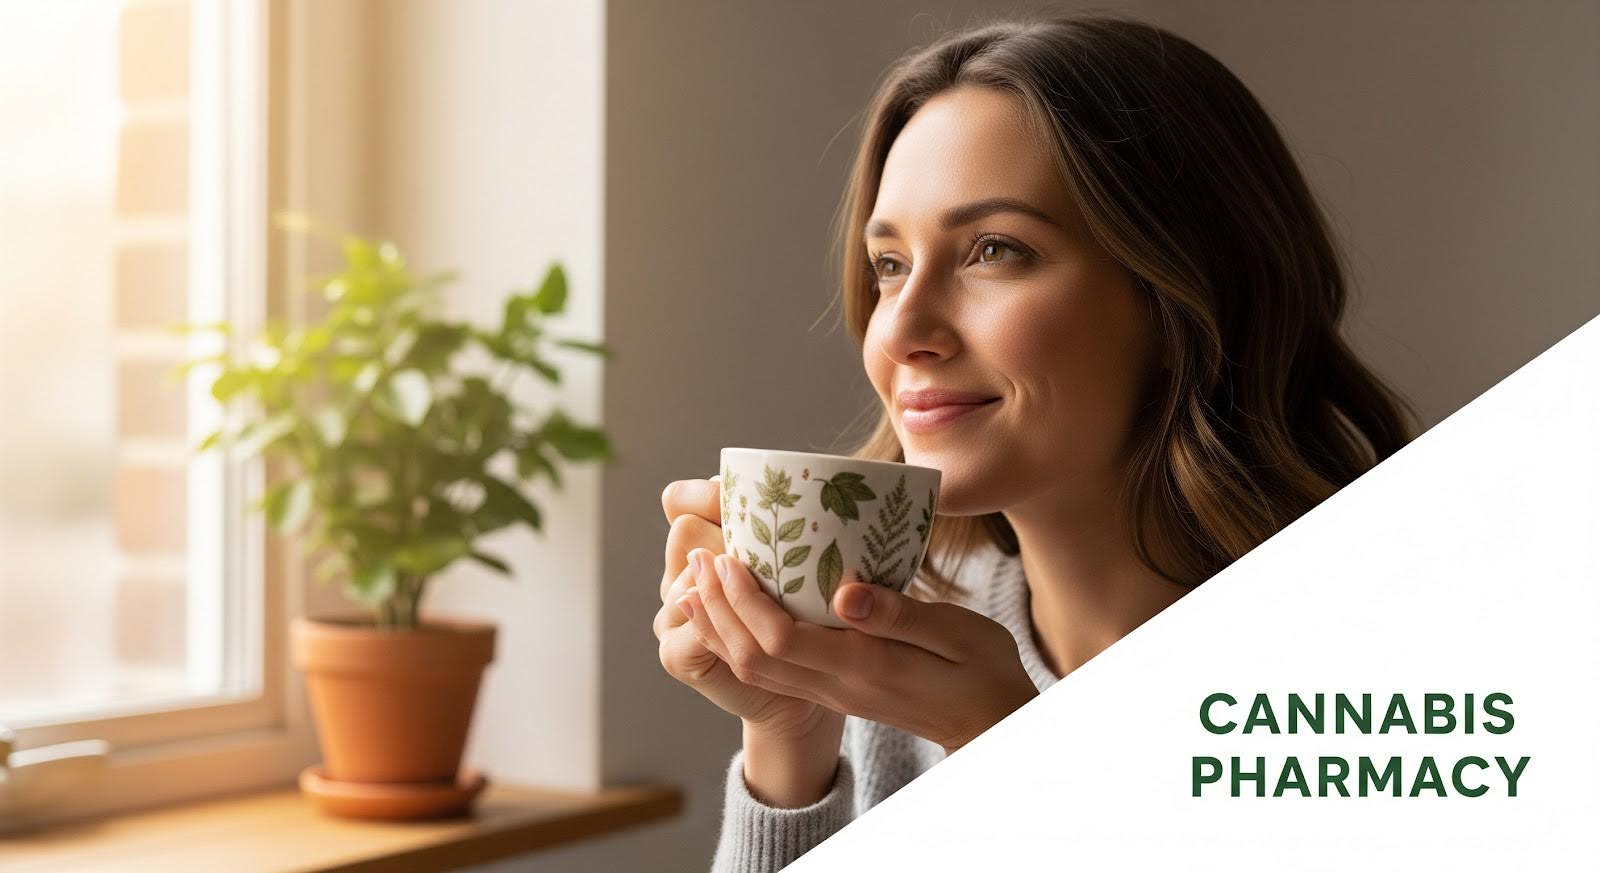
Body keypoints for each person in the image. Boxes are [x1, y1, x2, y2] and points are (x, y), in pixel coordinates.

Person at [653, 13, 1415, 872]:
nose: (899, 330)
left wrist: (1008, 753)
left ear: (1183, 291)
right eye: (890, 264)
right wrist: (789, 731)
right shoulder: (900, 641)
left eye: (994, 250)